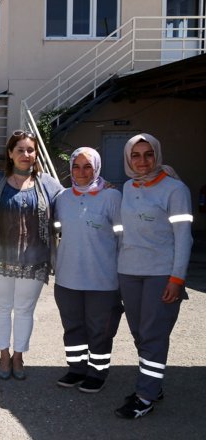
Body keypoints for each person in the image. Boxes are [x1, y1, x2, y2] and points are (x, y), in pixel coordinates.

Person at [114, 134, 192, 419]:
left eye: (148, 154)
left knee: (153, 335)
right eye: (136, 155)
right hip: (129, 271)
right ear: (127, 159)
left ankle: (145, 396)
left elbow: (184, 238)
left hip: (161, 273)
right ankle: (153, 383)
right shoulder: (127, 186)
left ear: (157, 155)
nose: (143, 161)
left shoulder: (174, 190)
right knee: (139, 334)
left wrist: (177, 278)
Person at [0, 130, 63, 380]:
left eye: (30, 150)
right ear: (10, 153)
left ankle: (19, 356)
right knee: (2, 309)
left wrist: (101, 187)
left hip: (34, 262)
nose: (25, 155)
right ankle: (4, 355)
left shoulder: (48, 183)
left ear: (36, 153)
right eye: (20, 150)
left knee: (25, 310)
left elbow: (73, 200)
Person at [53, 147, 123, 394]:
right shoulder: (62, 198)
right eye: (76, 166)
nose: (81, 172)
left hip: (102, 279)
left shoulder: (112, 198)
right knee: (73, 327)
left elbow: (122, 239)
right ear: (70, 168)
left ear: (97, 168)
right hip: (67, 278)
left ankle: (97, 372)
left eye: (88, 167)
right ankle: (76, 369)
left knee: (100, 330)